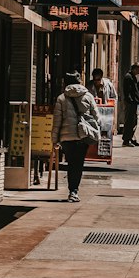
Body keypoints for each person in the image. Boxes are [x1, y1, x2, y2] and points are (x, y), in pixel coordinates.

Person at [52, 71, 101, 203]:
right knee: (78, 164)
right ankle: (74, 191)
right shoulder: (88, 96)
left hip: (66, 138)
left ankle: (71, 190)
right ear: (79, 81)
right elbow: (97, 117)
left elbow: (57, 121)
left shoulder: (61, 98)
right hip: (83, 135)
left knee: (70, 163)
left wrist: (54, 140)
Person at [122, 63, 139, 146]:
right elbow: (127, 91)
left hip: (134, 102)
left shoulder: (133, 77)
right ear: (134, 69)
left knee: (134, 122)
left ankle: (131, 138)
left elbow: (136, 88)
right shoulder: (128, 77)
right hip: (131, 103)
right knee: (129, 122)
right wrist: (130, 101)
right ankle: (126, 139)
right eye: (138, 69)